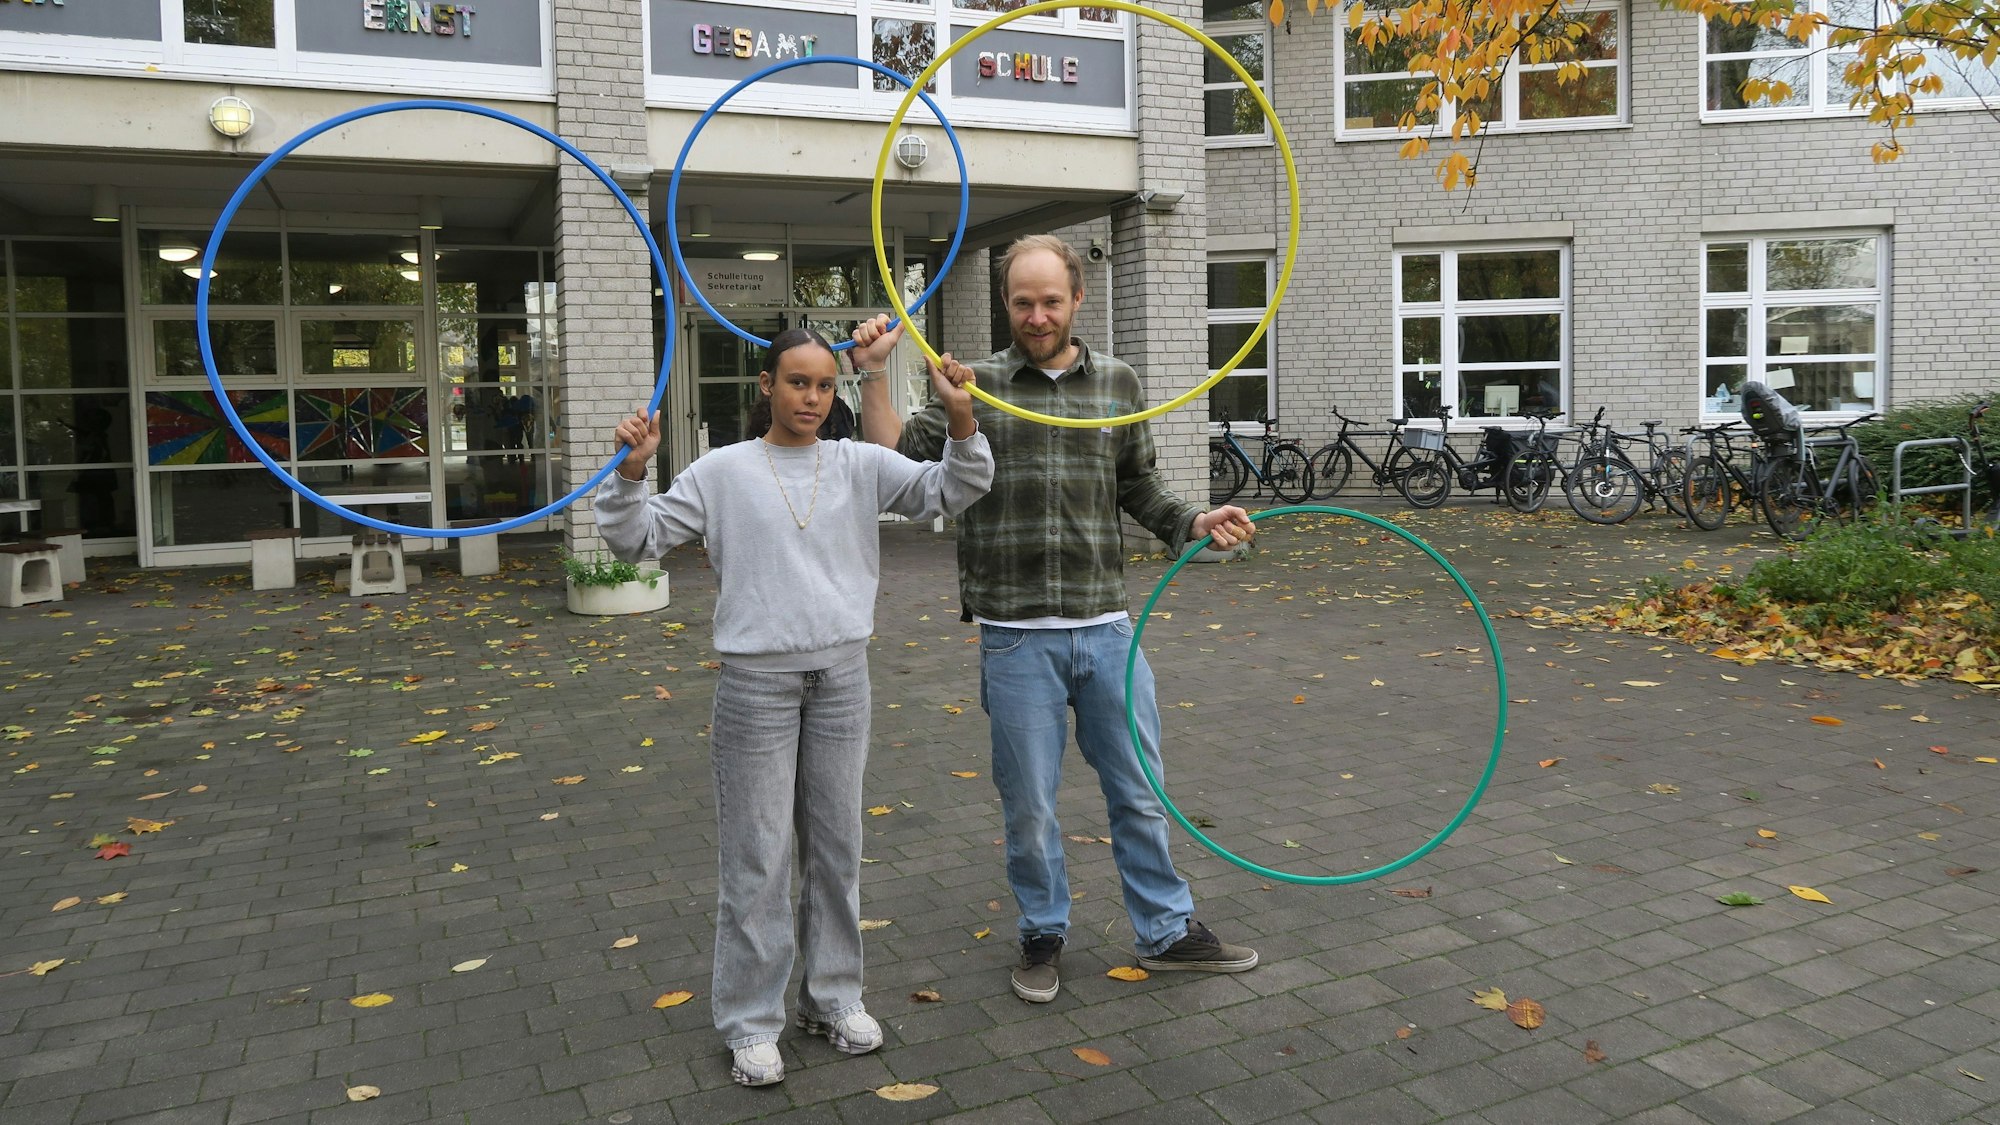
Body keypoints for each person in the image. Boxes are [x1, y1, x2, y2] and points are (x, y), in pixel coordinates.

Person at [854, 235, 1260, 1005]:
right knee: (1031, 805)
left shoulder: (1117, 381)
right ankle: (1043, 930)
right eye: (1021, 301)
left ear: (1077, 299)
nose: (1036, 315)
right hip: (1014, 635)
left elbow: (1139, 488)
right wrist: (874, 373)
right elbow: (894, 455)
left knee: (1139, 789)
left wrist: (1196, 521)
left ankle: (1167, 930)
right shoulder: (976, 385)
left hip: (1109, 628)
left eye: (1049, 300)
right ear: (1007, 304)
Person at [595, 327, 992, 1086]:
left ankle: (833, 998)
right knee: (757, 856)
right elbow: (634, 542)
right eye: (797, 383)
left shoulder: (861, 464)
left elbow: (954, 488)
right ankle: (750, 1020)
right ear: (766, 386)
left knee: (837, 849)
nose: (812, 398)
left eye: (822, 385)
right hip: (756, 689)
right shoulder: (724, 471)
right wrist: (633, 470)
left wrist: (962, 418)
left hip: (844, 679)